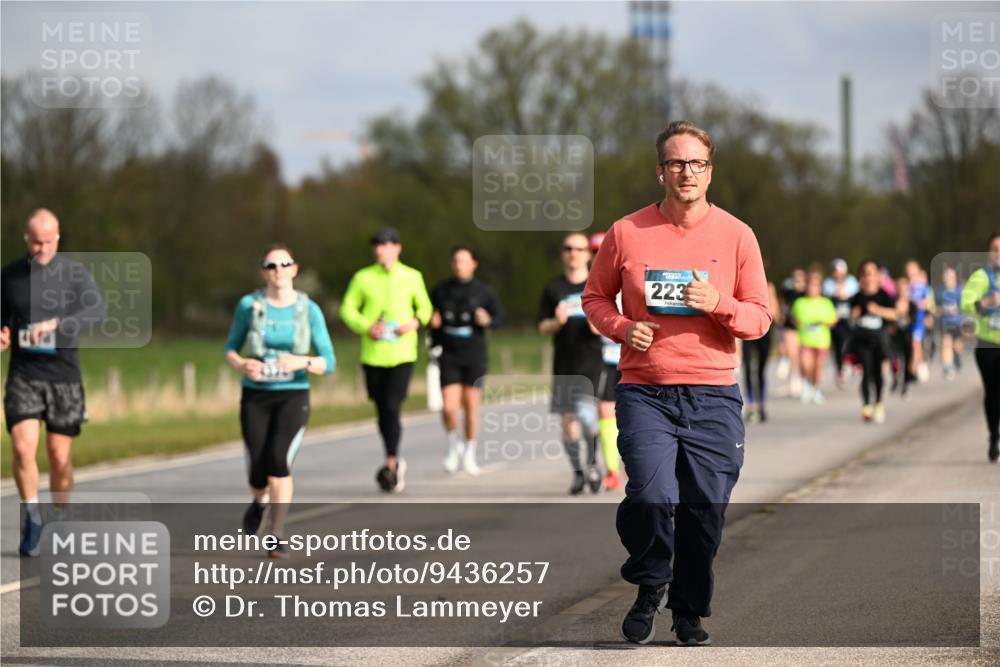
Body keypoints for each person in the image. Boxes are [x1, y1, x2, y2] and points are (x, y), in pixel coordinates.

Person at [583, 120, 770, 646]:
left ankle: (688, 611)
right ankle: (650, 583)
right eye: (675, 163)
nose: (686, 172)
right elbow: (594, 298)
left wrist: (720, 304)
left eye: (696, 164)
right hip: (647, 390)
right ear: (659, 171)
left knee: (703, 511)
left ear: (710, 172)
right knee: (649, 495)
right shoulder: (627, 232)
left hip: (712, 394)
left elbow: (760, 318)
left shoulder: (737, 235)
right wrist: (623, 326)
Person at [1, 208, 105, 556]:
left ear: (58, 237)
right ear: (25, 239)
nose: (42, 248)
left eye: (47, 241)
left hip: (64, 376)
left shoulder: (74, 274)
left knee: (59, 457)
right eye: (35, 242)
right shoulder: (10, 275)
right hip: (24, 374)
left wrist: (58, 324)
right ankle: (32, 516)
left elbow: (97, 311)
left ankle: (59, 517)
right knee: (21, 448)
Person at [224, 245, 335, 558]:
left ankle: (276, 533)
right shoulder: (250, 305)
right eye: (271, 266)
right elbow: (231, 348)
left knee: (279, 463)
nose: (278, 271)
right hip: (256, 395)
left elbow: (329, 360)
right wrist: (243, 364)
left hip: (293, 394)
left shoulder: (308, 309)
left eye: (284, 264)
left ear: (294, 269)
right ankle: (258, 501)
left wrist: (301, 362)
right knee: (257, 473)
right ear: (263, 272)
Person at [341, 227, 432, 492]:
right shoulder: (362, 278)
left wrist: (413, 323)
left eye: (386, 245)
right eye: (377, 245)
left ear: (397, 248)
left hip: (402, 354)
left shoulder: (412, 276)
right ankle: (392, 454)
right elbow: (347, 309)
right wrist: (367, 326)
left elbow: (425, 308)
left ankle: (392, 462)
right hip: (373, 354)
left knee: (392, 406)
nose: (380, 249)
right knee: (382, 410)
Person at [538, 232, 604, 495]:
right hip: (564, 361)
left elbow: (612, 322)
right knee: (568, 421)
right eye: (568, 248)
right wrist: (557, 323)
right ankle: (578, 472)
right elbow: (542, 326)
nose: (573, 253)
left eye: (579, 248)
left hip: (590, 361)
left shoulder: (597, 286)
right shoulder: (553, 289)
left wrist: (596, 325)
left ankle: (592, 464)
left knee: (588, 418)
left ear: (588, 254)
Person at [430, 245, 504, 476]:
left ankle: (470, 452)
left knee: (471, 405)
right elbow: (426, 313)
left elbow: (500, 318)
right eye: (456, 261)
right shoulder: (441, 290)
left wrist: (487, 319)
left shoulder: (484, 292)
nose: (459, 265)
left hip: (474, 353)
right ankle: (454, 446)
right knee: (449, 406)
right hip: (449, 353)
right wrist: (431, 321)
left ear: (474, 264)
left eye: (464, 261)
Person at [960, 233, 1000, 463]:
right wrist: (984, 302)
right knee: (993, 393)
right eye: (995, 248)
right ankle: (994, 435)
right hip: (988, 344)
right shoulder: (982, 276)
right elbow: (965, 301)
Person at [590, 231, 624, 491]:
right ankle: (612, 470)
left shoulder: (629, 272)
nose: (596, 257)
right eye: (593, 252)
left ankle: (636, 463)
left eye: (599, 251)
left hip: (634, 356)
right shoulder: (592, 283)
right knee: (604, 411)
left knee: (631, 415)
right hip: (605, 358)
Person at [849, 259, 897, 424]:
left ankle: (878, 402)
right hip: (862, 339)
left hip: (879, 339)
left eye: (871, 274)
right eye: (865, 274)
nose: (868, 277)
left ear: (878, 276)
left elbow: (894, 315)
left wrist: (878, 310)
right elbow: (851, 316)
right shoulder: (857, 296)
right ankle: (866, 406)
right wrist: (854, 314)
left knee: (878, 373)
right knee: (866, 372)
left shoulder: (884, 295)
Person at [791, 268, 838, 405]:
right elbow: (794, 319)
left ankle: (816, 389)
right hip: (805, 339)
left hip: (822, 340)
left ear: (819, 288)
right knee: (806, 366)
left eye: (816, 286)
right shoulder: (800, 303)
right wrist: (799, 322)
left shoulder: (826, 303)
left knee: (817, 367)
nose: (813, 289)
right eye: (810, 286)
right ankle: (807, 384)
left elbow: (833, 321)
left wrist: (825, 322)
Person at [742, 278, 780, 423]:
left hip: (764, 330)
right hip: (747, 329)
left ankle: (761, 404)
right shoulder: (744, 283)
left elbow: (774, 309)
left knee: (761, 369)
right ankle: (751, 405)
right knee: (748, 368)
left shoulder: (768, 285)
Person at [822, 258, 859, 386]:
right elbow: (827, 298)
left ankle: (851, 363)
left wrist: (846, 295)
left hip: (849, 318)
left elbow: (856, 298)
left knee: (850, 341)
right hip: (835, 319)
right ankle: (840, 370)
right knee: (837, 345)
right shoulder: (828, 283)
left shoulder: (852, 282)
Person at [777, 268, 806, 397]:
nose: (797, 281)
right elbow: (783, 305)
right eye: (795, 278)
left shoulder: (806, 293)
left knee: (801, 355)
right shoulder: (788, 292)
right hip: (789, 325)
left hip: (804, 327)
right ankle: (793, 374)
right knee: (791, 350)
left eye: (800, 278)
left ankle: (798, 376)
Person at [891, 275, 918, 398]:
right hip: (895, 336)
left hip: (907, 335)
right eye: (900, 288)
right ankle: (896, 378)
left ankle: (905, 385)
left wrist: (906, 318)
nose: (902, 290)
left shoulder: (912, 304)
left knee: (907, 360)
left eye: (904, 288)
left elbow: (914, 319)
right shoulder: (893, 302)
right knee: (895, 359)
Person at [937, 266, 965, 381]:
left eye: (950, 275)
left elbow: (964, 307)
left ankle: (957, 357)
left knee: (957, 345)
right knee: (946, 342)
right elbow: (938, 307)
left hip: (958, 322)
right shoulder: (940, 291)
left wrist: (958, 310)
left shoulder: (959, 291)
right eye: (946, 275)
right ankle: (948, 367)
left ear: (955, 277)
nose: (947, 278)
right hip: (945, 323)